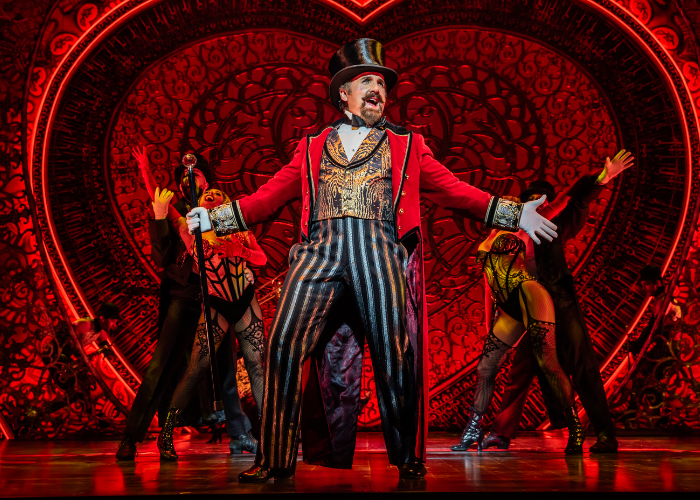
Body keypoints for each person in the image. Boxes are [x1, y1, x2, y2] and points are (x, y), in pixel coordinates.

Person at [185, 38, 559, 482]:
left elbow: (457, 190)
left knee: (394, 354)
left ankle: (407, 458)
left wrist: (514, 213)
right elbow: (268, 196)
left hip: (378, 250)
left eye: (381, 83)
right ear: (343, 92)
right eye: (367, 81)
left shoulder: (407, 145)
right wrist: (216, 218)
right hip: (318, 252)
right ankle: (274, 459)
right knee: (283, 345)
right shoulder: (310, 147)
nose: (377, 89)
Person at [469, 153, 632, 454]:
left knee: (582, 367)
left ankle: (605, 434)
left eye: (543, 202)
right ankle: (502, 434)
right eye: (531, 202)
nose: (538, 207)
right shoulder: (508, 235)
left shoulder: (555, 225)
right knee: (521, 371)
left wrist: (602, 179)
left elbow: (577, 200)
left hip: (560, 305)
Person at [116, 150, 255, 460]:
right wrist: (158, 214)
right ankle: (131, 436)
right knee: (161, 366)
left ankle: (232, 434)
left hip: (217, 301)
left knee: (220, 371)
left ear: (208, 182)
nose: (189, 180)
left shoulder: (222, 211)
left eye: (196, 175)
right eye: (183, 178)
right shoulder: (177, 211)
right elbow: (163, 258)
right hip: (184, 296)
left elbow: (245, 251)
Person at [153, 187, 266, 459]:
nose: (211, 193)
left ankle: (269, 432)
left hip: (243, 300)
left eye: (217, 193)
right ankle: (166, 432)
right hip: (216, 304)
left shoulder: (235, 226)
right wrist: (147, 178)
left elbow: (261, 258)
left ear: (226, 202)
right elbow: (173, 214)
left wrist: (242, 251)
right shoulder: (193, 229)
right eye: (207, 193)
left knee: (256, 366)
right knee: (196, 367)